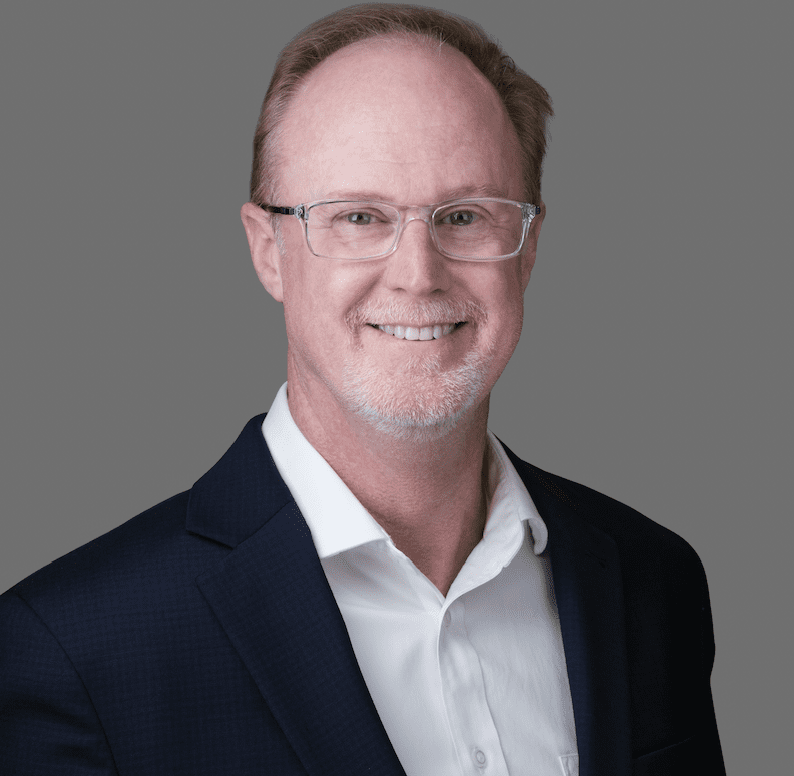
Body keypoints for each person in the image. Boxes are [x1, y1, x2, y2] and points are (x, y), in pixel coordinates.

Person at [0, 4, 725, 775]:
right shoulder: (72, 649)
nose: (418, 272)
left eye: (466, 215)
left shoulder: (651, 580)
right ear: (268, 251)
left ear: (529, 247)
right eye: (357, 217)